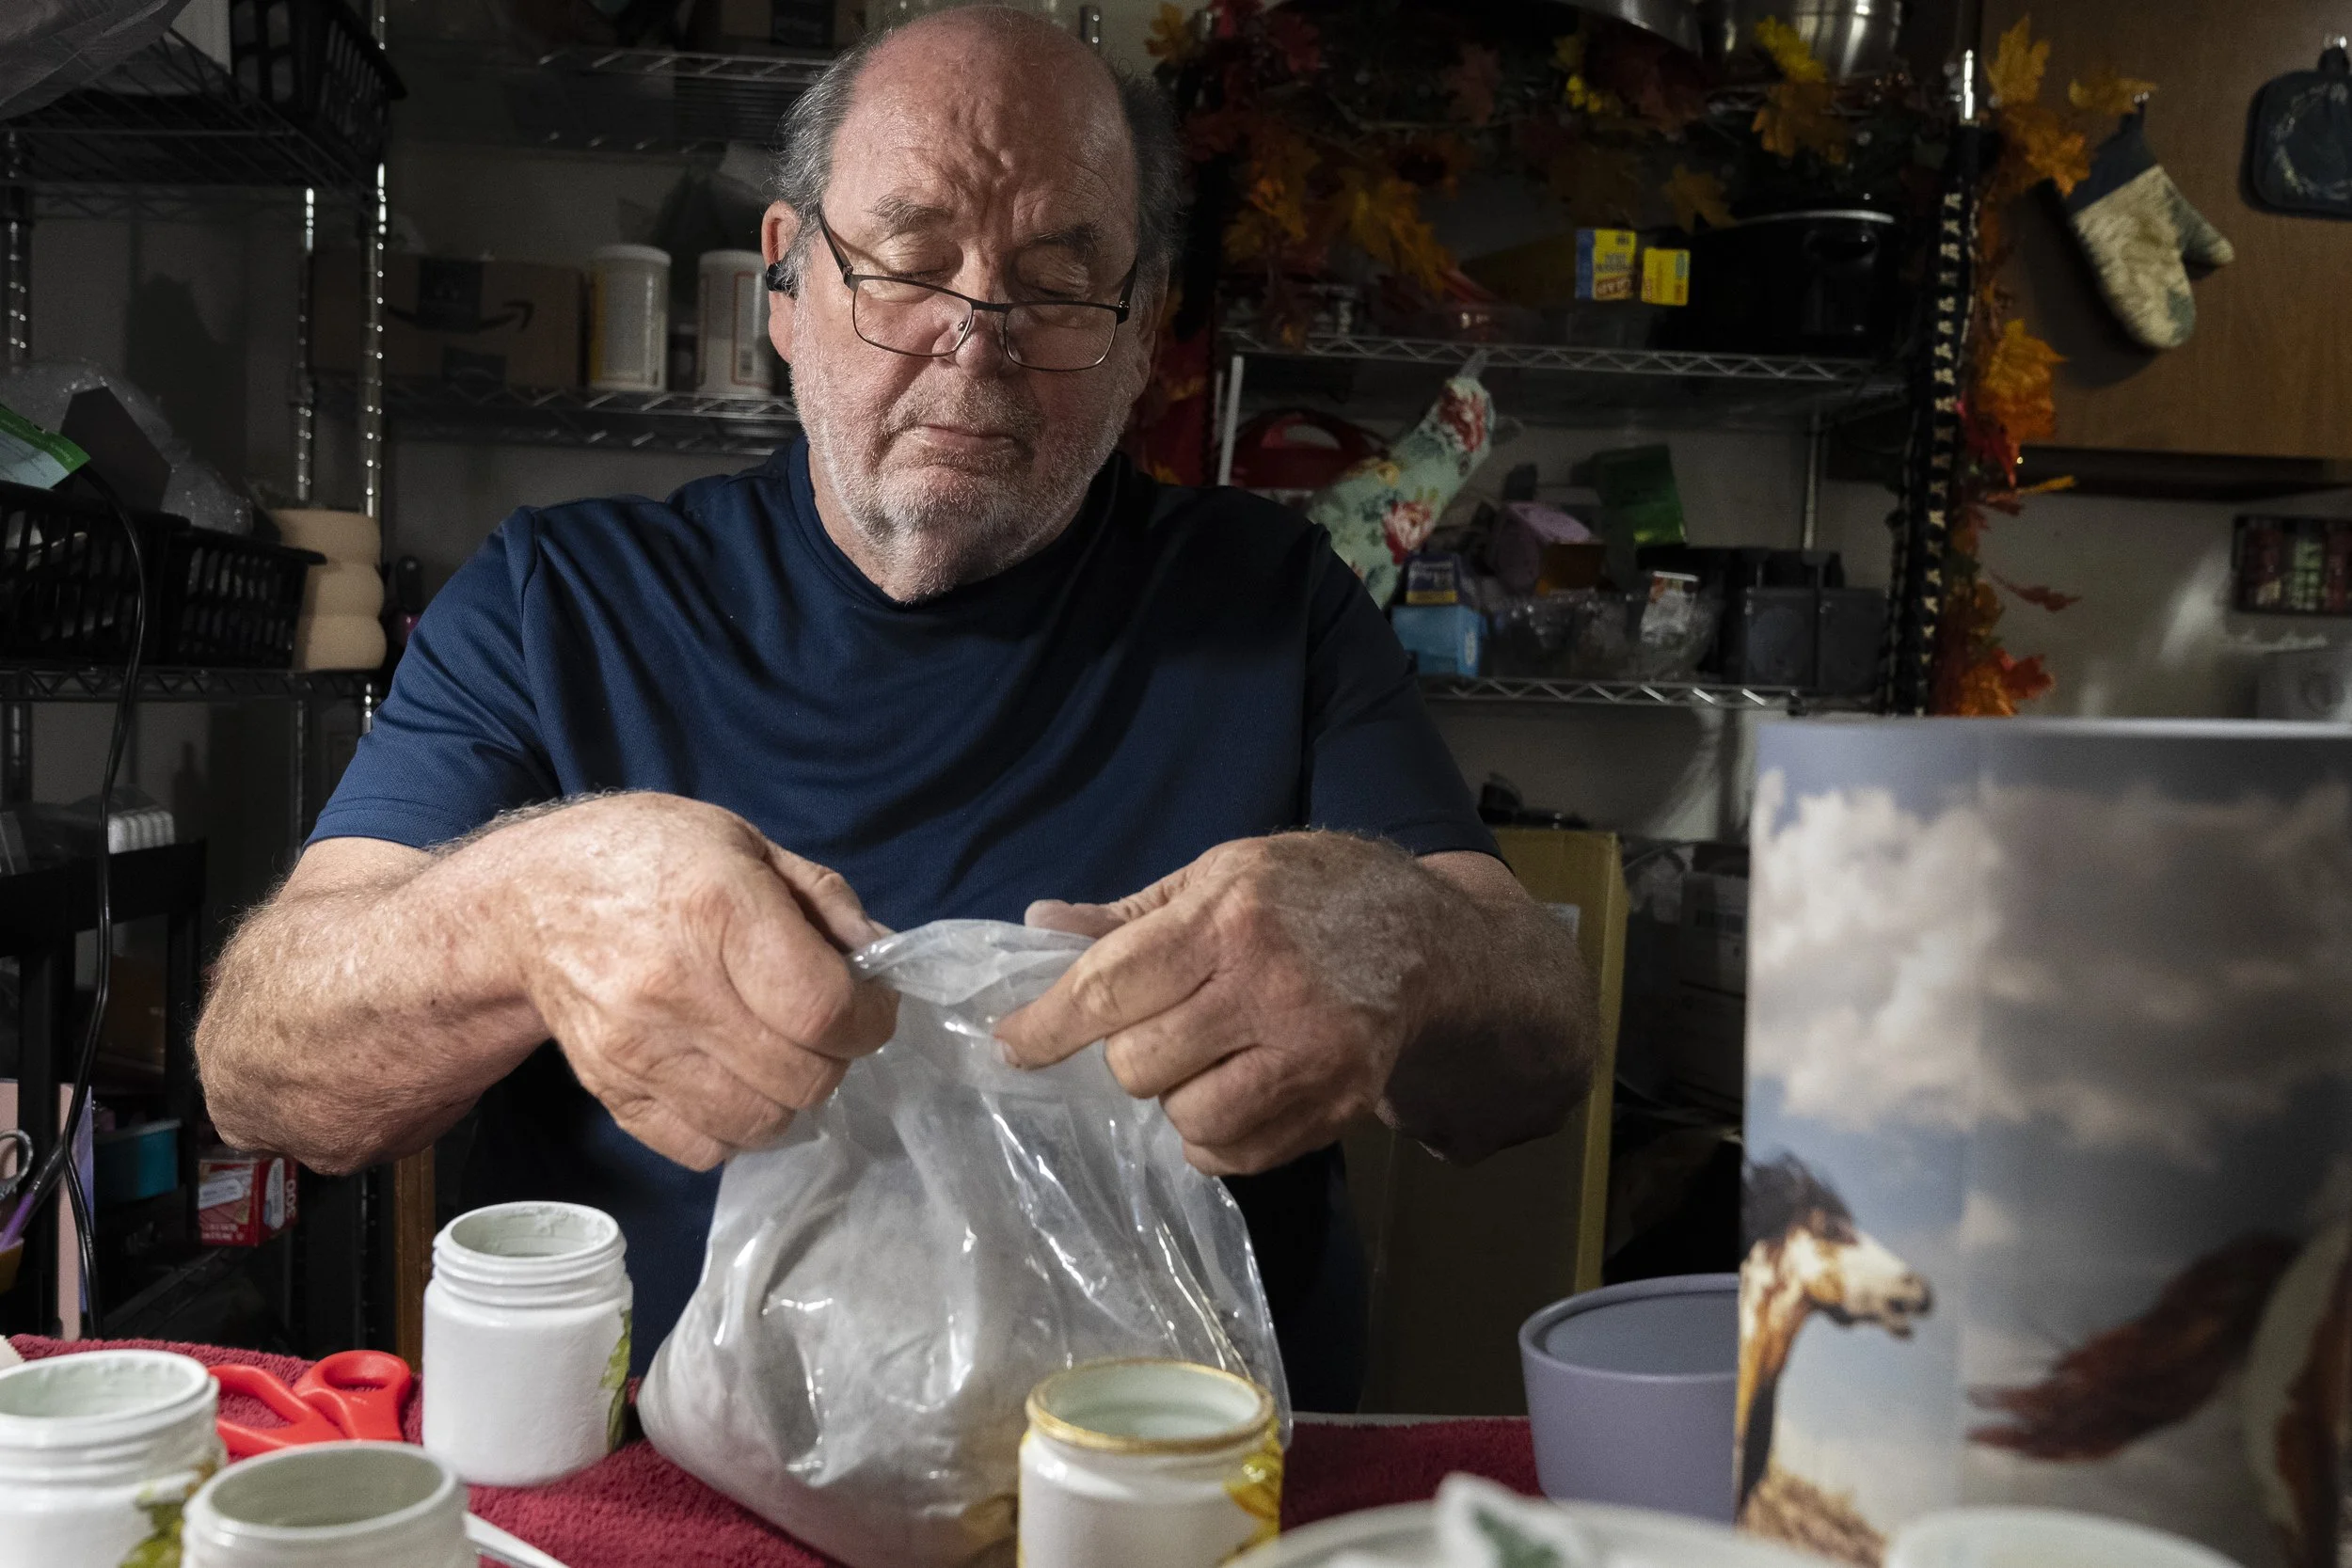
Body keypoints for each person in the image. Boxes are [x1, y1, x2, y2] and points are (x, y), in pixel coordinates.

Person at [192, 6, 1596, 1410]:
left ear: (1141, 327)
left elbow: (1537, 1052)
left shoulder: (1273, 604)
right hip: (662, 1487)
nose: (974, 344)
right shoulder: (559, 600)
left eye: (1057, 285)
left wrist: (1400, 947)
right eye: (911, 264)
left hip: (1161, 1484)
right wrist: (528, 910)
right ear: (786, 287)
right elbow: (262, 1069)